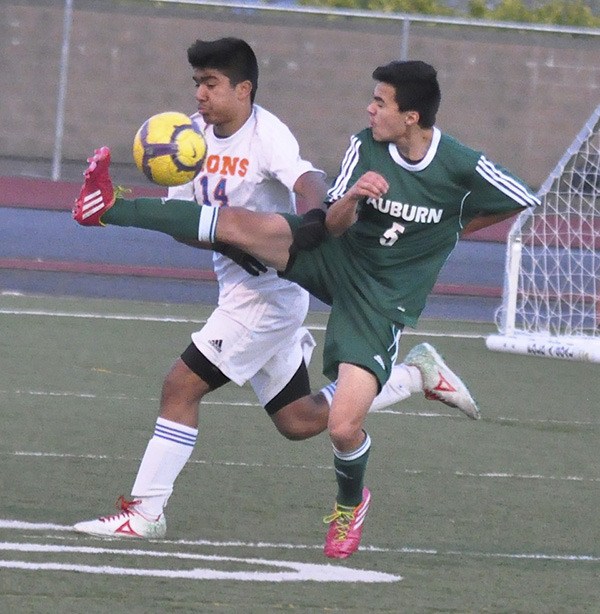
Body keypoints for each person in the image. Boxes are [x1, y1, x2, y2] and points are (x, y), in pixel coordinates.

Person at [71, 56, 513, 559]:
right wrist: (327, 215)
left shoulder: (450, 161)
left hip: (321, 301)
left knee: (189, 386)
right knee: (298, 420)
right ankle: (414, 376)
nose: (369, 109)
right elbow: (325, 212)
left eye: (380, 101)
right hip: (322, 262)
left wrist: (447, 228)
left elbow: (310, 179)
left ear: (410, 115)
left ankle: (147, 512)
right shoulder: (364, 145)